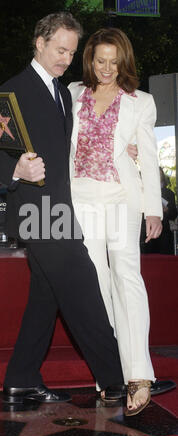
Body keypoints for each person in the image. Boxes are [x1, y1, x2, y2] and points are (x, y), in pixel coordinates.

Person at [0, 13, 126, 405]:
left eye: (72, 53)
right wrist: (16, 168)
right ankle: (118, 382)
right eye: (60, 49)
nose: (66, 59)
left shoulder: (61, 92)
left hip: (57, 210)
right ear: (39, 43)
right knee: (83, 287)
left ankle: (21, 377)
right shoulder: (15, 90)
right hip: (39, 213)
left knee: (47, 298)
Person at [68, 27, 165, 416]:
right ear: (89, 60)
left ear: (123, 62)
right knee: (96, 285)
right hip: (80, 199)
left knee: (128, 279)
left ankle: (140, 373)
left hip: (123, 199)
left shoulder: (141, 102)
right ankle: (110, 374)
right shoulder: (73, 94)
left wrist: (153, 208)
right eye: (99, 60)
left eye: (114, 61)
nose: (107, 68)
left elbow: (149, 157)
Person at [141, 167, 177, 254]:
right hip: (146, 230)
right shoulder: (143, 191)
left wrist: (166, 210)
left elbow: (174, 214)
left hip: (163, 231)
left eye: (159, 174)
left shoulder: (169, 193)